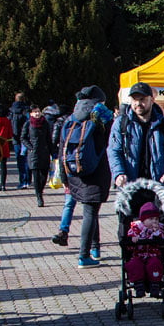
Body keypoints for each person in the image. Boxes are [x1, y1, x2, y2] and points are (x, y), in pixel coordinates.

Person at [58, 86, 112, 268]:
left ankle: (95, 248)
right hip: (96, 174)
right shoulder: (101, 119)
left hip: (74, 173)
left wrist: (64, 178)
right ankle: (84, 255)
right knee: (90, 212)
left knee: (91, 211)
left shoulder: (71, 119)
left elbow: (61, 150)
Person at [108, 82, 164, 191]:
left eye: (142, 99)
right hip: (130, 186)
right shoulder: (121, 123)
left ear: (151, 100)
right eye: (134, 99)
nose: (138, 103)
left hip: (157, 185)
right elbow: (114, 151)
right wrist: (119, 173)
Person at [124, 201, 164, 296]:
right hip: (138, 255)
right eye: (151, 219)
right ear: (143, 220)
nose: (154, 221)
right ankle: (138, 284)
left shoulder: (159, 229)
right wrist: (133, 239)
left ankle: (155, 284)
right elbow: (128, 243)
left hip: (153, 255)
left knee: (155, 263)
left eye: (156, 219)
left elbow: (163, 242)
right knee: (134, 264)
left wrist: (157, 235)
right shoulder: (136, 228)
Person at [21, 105, 53, 207]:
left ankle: (41, 190)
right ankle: (39, 196)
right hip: (33, 153)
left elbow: (49, 138)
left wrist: (53, 152)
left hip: (44, 152)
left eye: (38, 111)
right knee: (36, 176)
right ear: (31, 114)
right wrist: (30, 147)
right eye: (35, 112)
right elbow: (23, 137)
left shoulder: (45, 123)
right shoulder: (28, 124)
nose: (37, 113)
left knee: (44, 176)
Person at [8, 93, 30, 188]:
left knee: (19, 160)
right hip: (25, 137)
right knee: (27, 159)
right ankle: (28, 180)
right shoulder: (26, 110)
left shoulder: (11, 111)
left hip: (15, 137)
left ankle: (22, 181)